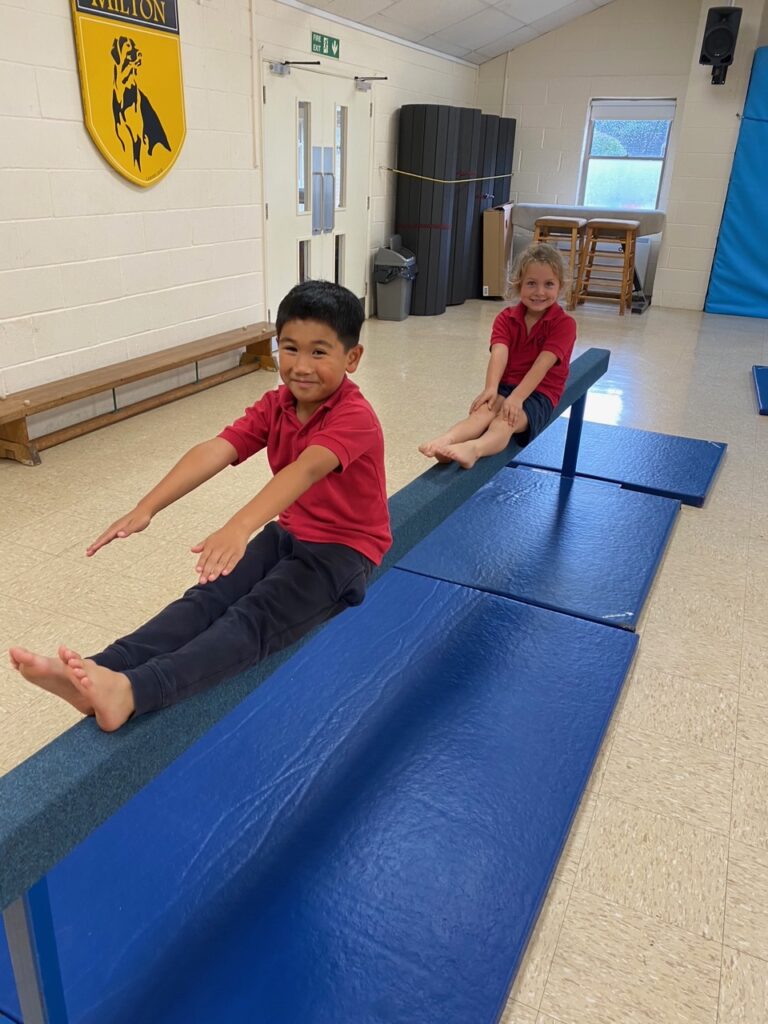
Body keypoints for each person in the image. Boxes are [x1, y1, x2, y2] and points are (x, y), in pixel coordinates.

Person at [9, 281, 390, 732]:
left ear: (353, 358)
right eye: (290, 348)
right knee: (207, 599)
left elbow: (305, 470)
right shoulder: (279, 404)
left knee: (251, 619)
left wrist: (239, 525)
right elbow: (218, 448)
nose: (301, 366)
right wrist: (147, 506)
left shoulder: (354, 416)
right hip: (289, 533)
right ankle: (101, 669)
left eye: (319, 353)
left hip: (343, 552)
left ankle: (134, 691)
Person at [419, 242, 576, 469]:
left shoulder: (564, 324)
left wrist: (517, 398)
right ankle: (447, 440)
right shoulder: (506, 317)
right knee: (482, 413)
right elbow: (499, 355)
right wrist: (491, 389)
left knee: (505, 421)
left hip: (540, 392)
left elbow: (542, 365)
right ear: (518, 285)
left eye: (548, 284)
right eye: (531, 284)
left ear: (560, 287)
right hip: (507, 385)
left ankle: (475, 449)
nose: (540, 292)